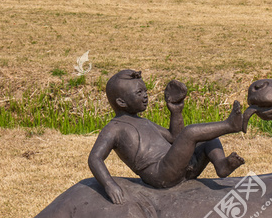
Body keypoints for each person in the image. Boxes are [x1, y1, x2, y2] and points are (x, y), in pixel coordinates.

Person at [88, 69, 249, 204]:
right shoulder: (113, 128)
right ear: (121, 102)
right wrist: (109, 184)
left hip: (180, 167)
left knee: (207, 136)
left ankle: (221, 165)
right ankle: (231, 125)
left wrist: (176, 111)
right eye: (139, 93)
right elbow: (95, 158)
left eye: (145, 91)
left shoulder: (144, 121)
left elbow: (174, 137)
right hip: (160, 174)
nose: (145, 96)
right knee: (191, 132)